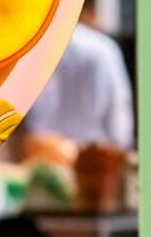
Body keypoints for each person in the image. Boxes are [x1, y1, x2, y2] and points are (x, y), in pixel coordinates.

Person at [25, 9, 135, 151]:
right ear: (90, 8)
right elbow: (119, 126)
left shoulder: (37, 46)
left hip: (44, 152)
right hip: (94, 155)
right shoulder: (104, 49)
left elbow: (32, 120)